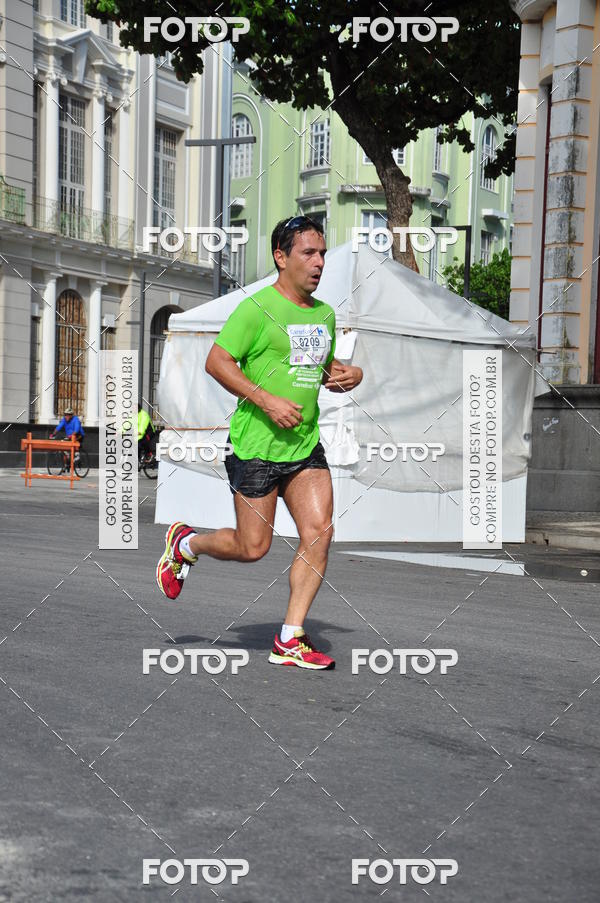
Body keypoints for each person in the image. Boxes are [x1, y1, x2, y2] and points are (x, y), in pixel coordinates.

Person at [156, 215, 363, 670]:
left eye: (323, 253)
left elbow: (321, 370)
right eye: (309, 253)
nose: (319, 262)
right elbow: (217, 362)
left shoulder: (324, 314)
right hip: (254, 447)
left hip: (304, 445)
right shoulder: (255, 309)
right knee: (253, 548)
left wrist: (351, 375)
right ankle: (187, 544)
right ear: (281, 257)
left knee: (320, 532)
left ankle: (290, 637)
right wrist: (267, 400)